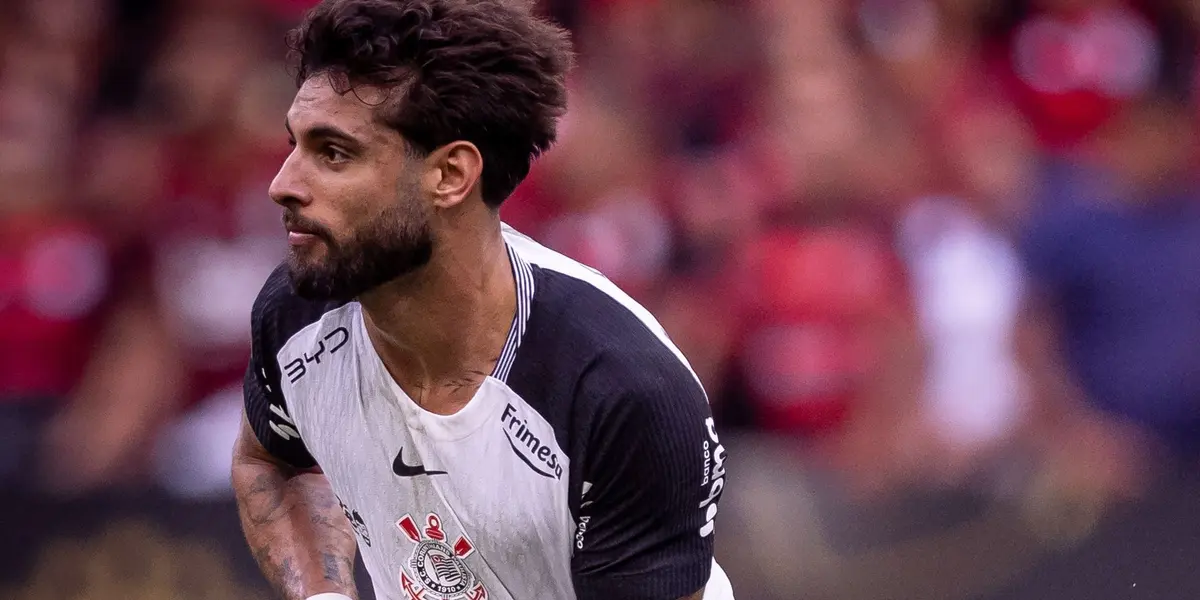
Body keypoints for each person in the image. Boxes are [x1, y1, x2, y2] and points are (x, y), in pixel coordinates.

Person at [230, 2, 734, 600]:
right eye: (295, 145)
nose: (283, 184)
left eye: (334, 153)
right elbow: (272, 462)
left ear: (450, 175)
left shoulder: (622, 389)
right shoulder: (296, 316)